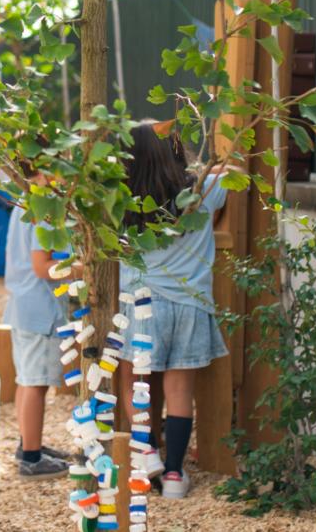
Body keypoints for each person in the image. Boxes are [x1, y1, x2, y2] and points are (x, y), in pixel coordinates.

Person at [116, 122, 231, 499]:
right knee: (180, 390)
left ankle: (147, 451)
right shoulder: (201, 191)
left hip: (140, 302)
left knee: (136, 381)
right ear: (176, 151)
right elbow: (232, 173)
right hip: (188, 304)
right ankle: (176, 476)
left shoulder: (122, 198)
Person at [3, 166, 72, 479]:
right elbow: (43, 267)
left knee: (26, 379)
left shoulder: (25, 200)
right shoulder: (44, 207)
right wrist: (84, 267)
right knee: (36, 383)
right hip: (41, 309)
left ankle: (27, 445)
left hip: (23, 304)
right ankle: (31, 457)